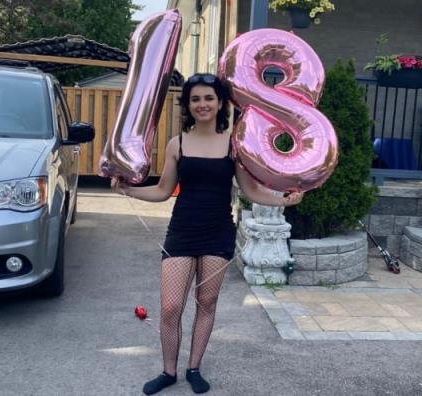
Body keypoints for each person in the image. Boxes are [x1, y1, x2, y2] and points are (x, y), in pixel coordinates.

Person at [112, 73, 303, 395]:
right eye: (195, 99)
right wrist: (128, 191)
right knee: (171, 307)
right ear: (187, 104)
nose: (202, 104)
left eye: (208, 98)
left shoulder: (233, 145)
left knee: (206, 301)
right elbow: (162, 191)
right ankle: (168, 371)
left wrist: (284, 199)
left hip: (218, 232)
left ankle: (194, 367)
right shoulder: (178, 143)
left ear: (220, 103)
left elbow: (251, 190)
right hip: (182, 231)